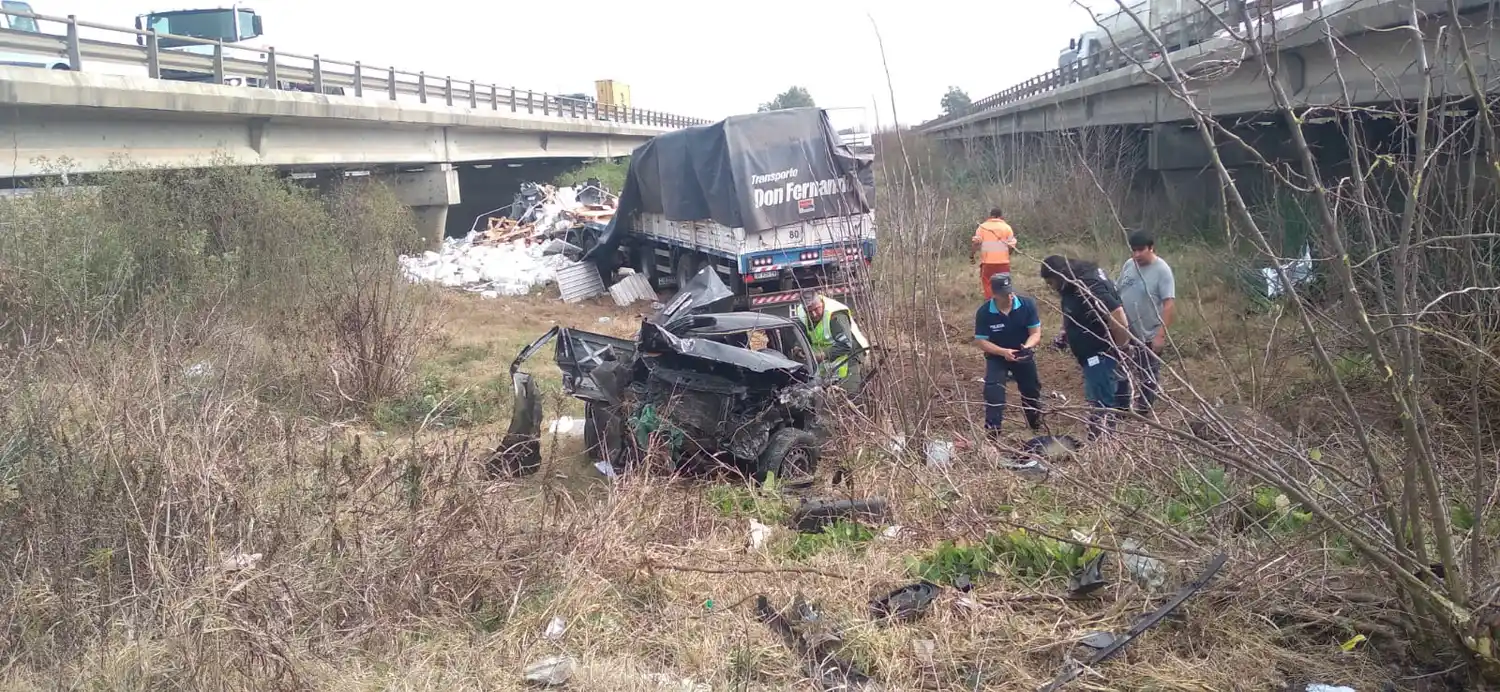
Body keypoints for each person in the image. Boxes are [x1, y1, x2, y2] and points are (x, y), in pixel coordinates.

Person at [1040, 255, 1133, 441]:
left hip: (1100, 352)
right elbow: (1073, 312)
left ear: (1059, 275)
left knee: (1101, 400)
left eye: (1051, 283)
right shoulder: (1071, 284)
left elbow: (1118, 314)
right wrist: (1065, 333)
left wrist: (1121, 348)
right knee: (1112, 391)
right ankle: (1118, 428)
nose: (1051, 288)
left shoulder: (1088, 286)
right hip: (1092, 352)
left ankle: (1101, 442)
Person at [972, 273, 1044, 440]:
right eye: (1005, 294)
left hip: (1022, 353)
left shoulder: (1027, 305)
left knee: (1031, 389)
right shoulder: (984, 312)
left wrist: (1026, 347)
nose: (1010, 297)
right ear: (994, 294)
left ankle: (1035, 425)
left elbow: (1036, 333)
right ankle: (993, 432)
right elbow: (982, 341)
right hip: (997, 357)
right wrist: (1003, 352)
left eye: (1011, 292)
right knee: (994, 391)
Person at [1114, 230, 1176, 414]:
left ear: (1151, 248)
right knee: (1121, 369)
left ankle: (1143, 410)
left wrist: (1160, 335)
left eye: (1141, 250)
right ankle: (1122, 407)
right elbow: (1119, 290)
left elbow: (1169, 305)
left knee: (1147, 373)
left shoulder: (1162, 271)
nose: (1136, 255)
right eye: (1133, 250)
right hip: (1125, 330)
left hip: (1147, 332)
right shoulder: (1129, 265)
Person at [792, 290, 871, 385]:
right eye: (809, 312)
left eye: (816, 309)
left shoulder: (835, 315)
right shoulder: (802, 312)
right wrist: (798, 346)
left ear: (821, 302)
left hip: (851, 354)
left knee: (849, 392)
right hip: (825, 361)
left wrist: (823, 355)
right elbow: (803, 333)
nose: (813, 314)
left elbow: (846, 345)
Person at [971, 207, 1018, 300]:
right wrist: (1008, 255)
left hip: (988, 264)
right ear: (1001, 216)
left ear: (990, 216)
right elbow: (1011, 246)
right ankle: (1006, 305)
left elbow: (976, 243)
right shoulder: (1007, 227)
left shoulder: (982, 227)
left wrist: (971, 256)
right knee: (1004, 285)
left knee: (988, 284)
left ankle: (991, 305)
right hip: (1003, 263)